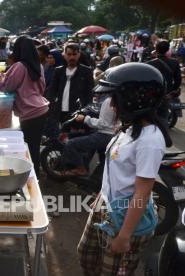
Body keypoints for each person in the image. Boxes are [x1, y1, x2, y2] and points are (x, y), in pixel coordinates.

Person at [77, 62, 171, 275]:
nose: (110, 105)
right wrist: (102, 196)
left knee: (110, 270)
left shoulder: (149, 139)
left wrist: (124, 236)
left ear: (132, 99)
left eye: (114, 98)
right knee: (87, 255)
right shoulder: (129, 127)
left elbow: (142, 192)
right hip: (106, 204)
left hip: (126, 216)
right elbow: (116, 170)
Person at [0, 36, 49, 176]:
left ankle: (31, 177)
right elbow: (41, 88)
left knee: (28, 149)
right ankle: (34, 176)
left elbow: (7, 87)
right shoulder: (38, 65)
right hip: (41, 109)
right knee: (34, 147)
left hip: (29, 113)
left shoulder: (20, 66)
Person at [47, 43, 94, 124]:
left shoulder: (86, 71)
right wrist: (51, 106)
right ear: (64, 55)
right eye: (69, 54)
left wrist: (85, 111)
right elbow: (52, 90)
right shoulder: (58, 71)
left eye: (74, 54)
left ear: (79, 55)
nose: (72, 57)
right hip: (60, 110)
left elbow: (89, 93)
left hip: (78, 112)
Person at [146, 40, 182, 126]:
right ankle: (163, 135)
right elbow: (178, 80)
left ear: (156, 50)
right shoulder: (174, 63)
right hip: (166, 95)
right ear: (168, 50)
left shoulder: (149, 63)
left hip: (152, 95)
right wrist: (172, 90)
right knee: (163, 116)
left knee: (149, 116)